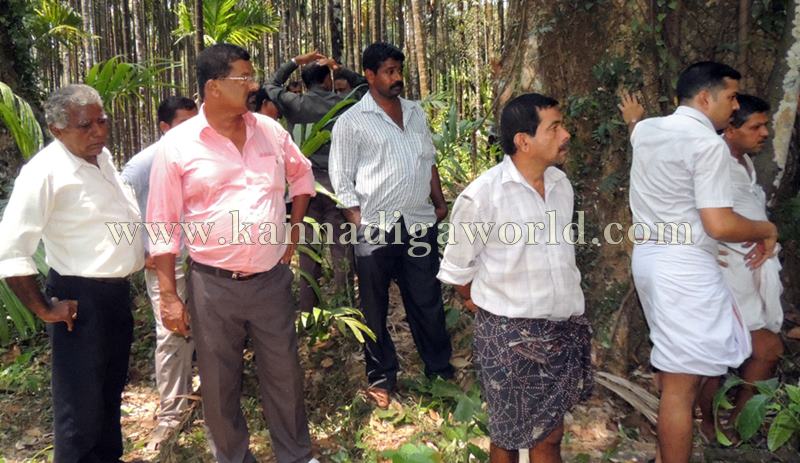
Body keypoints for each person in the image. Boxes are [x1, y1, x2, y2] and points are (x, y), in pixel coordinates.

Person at [147, 43, 318, 463]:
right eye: (243, 77)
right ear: (213, 87)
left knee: (284, 373)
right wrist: (169, 295)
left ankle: (295, 454)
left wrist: (292, 233)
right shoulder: (179, 145)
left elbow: (302, 176)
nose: (253, 85)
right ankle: (233, 457)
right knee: (220, 383)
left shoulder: (269, 131)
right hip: (213, 285)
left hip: (270, 280)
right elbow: (162, 224)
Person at [628, 61, 778, 463]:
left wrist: (633, 118)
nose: (734, 107)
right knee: (680, 386)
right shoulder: (708, 144)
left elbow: (637, 132)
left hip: (650, 262)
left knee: (685, 377)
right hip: (684, 269)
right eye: (730, 97)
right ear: (705, 98)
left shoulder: (646, 130)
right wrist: (764, 229)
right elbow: (718, 223)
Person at [438, 93, 592, 463]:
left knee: (550, 436)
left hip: (562, 332)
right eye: (554, 128)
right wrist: (497, 312)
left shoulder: (561, 186)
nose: (565, 134)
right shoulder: (482, 197)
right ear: (523, 141)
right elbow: (459, 271)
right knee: (508, 438)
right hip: (509, 339)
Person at [0, 84, 144, 462]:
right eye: (86, 126)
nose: (99, 131)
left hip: (115, 297)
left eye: (102, 121)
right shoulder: (44, 174)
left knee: (109, 398)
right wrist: (46, 309)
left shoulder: (104, 159)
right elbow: (12, 250)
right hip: (79, 302)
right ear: (56, 129)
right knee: (79, 410)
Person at [329, 42, 453, 409]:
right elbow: (340, 176)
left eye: (399, 70)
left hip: (418, 223)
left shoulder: (415, 113)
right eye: (388, 72)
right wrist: (358, 220)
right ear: (369, 76)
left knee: (427, 300)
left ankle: (440, 371)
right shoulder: (352, 121)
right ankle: (381, 377)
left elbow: (427, 159)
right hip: (375, 229)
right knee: (374, 307)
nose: (396, 78)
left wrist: (440, 201)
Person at [120, 95, 198, 449]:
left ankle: (207, 399)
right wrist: (143, 251)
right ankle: (171, 414)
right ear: (164, 128)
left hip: (205, 258)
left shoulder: (202, 154)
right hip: (167, 263)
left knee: (206, 328)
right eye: (183, 123)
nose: (193, 129)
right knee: (171, 334)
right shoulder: (142, 165)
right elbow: (120, 214)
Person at [267, 52, 366, 313]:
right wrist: (340, 68)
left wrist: (295, 62)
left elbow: (270, 86)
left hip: (304, 188)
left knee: (308, 251)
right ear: (326, 81)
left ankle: (308, 311)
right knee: (341, 250)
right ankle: (345, 308)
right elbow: (366, 88)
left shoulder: (294, 104)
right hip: (337, 186)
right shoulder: (342, 103)